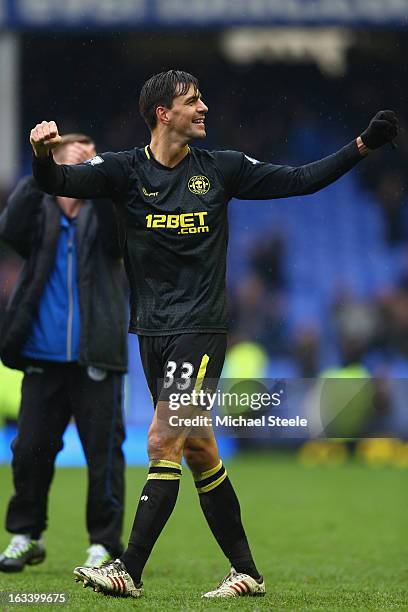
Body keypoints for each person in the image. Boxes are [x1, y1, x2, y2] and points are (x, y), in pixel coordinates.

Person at [29, 70, 398, 599]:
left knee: (161, 440)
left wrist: (361, 146)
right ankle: (247, 572)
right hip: (152, 331)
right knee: (199, 448)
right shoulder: (122, 170)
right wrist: (42, 155)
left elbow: (299, 180)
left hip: (199, 329)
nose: (204, 108)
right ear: (163, 113)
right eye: (192, 100)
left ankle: (127, 569)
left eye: (202, 99)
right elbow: (57, 184)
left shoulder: (222, 169)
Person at [0, 134, 128, 572]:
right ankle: (24, 535)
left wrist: (103, 179)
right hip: (42, 355)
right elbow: (8, 230)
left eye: (92, 151)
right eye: (74, 151)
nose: (83, 154)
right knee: (29, 449)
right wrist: (40, 168)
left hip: (97, 354)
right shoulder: (39, 211)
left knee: (104, 455)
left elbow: (118, 243)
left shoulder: (105, 212)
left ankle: (104, 544)